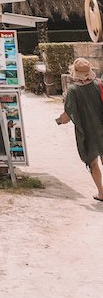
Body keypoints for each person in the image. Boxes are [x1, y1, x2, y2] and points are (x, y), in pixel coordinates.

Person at [56, 57, 103, 202]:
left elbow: (67, 116)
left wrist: (58, 121)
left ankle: (101, 193)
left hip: (87, 132)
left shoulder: (73, 90)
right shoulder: (99, 84)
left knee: (93, 161)